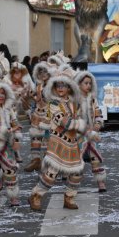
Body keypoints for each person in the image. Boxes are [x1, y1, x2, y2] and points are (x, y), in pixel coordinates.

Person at [28, 71, 86, 211]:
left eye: (64, 85)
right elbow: (65, 122)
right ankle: (36, 195)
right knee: (52, 173)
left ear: (69, 88)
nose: (60, 88)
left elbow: (78, 117)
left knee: (76, 173)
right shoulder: (53, 104)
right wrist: (81, 125)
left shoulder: (73, 103)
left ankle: (69, 197)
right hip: (57, 142)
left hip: (72, 143)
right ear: (54, 88)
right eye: (58, 85)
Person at [75, 71, 106, 192]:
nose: (88, 85)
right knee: (78, 160)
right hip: (78, 134)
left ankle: (100, 182)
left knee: (95, 158)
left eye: (90, 83)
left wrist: (98, 123)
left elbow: (98, 113)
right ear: (78, 84)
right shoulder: (74, 100)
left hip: (92, 134)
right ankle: (74, 184)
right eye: (85, 83)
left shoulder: (92, 99)